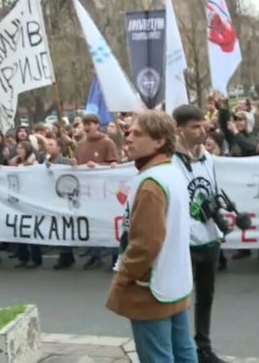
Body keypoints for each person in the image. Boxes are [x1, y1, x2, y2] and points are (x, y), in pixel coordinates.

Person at [106, 110, 196, 363]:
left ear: (159, 141)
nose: (129, 138)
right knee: (183, 351)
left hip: (151, 286)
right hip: (174, 280)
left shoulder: (151, 183)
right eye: (128, 132)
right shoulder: (171, 172)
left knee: (158, 357)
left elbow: (145, 244)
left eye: (137, 133)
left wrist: (123, 276)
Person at [171, 105, 226, 363]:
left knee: (206, 296)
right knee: (181, 298)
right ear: (179, 131)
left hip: (209, 239)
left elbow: (212, 193)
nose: (202, 130)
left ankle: (203, 345)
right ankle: (180, 349)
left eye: (203, 125)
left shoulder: (208, 158)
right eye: (195, 127)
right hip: (184, 242)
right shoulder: (170, 162)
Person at [56, 114, 119, 270]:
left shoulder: (107, 143)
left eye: (90, 123)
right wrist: (74, 163)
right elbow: (78, 163)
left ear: (97, 125)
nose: (87, 126)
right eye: (85, 123)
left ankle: (115, 256)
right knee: (91, 223)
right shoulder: (81, 144)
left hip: (104, 190)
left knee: (107, 224)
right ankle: (95, 255)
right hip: (85, 191)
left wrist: (98, 165)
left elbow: (115, 165)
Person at [9, 141, 42, 268]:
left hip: (30, 198)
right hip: (18, 199)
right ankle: (22, 256)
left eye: (22, 148)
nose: (19, 150)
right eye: (18, 147)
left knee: (32, 229)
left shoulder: (34, 163)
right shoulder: (14, 162)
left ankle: (36, 257)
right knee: (19, 228)